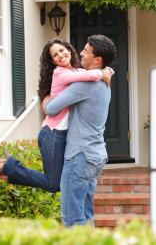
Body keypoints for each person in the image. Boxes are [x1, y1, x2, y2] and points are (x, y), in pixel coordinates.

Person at [0, 38, 113, 193]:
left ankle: (6, 173)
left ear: (68, 49)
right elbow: (92, 76)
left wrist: (107, 71)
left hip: (62, 135)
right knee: (55, 184)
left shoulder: (77, 71)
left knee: (57, 183)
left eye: (61, 50)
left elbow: (89, 74)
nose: (60, 55)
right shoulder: (61, 73)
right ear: (53, 62)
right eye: (55, 55)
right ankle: (8, 166)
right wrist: (103, 72)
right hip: (53, 134)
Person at [43, 34, 116, 227]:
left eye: (86, 50)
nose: (81, 53)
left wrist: (46, 97)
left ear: (97, 59)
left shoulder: (86, 84)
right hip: (95, 155)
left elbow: (50, 108)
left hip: (79, 156)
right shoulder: (102, 81)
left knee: (72, 219)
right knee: (85, 215)